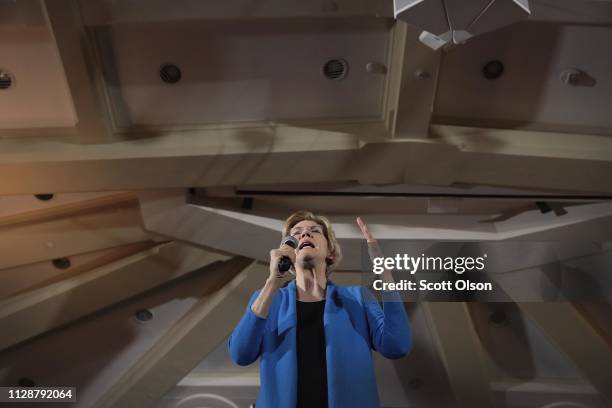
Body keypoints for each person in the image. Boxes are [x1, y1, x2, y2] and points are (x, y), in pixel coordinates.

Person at [228, 210, 412, 408]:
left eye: (314, 231)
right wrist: (273, 281)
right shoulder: (267, 299)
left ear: (330, 252)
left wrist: (385, 275)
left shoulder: (358, 298)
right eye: (296, 233)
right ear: (288, 252)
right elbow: (241, 354)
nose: (305, 235)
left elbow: (397, 346)